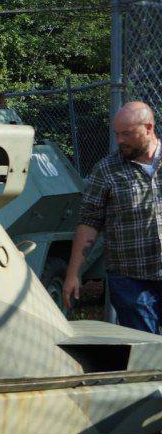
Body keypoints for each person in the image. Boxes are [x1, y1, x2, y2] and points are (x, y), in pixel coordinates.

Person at [64, 101, 162, 332]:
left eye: (126, 134)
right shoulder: (106, 169)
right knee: (142, 348)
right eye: (117, 134)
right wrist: (73, 273)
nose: (120, 141)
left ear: (148, 128)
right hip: (130, 278)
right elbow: (89, 222)